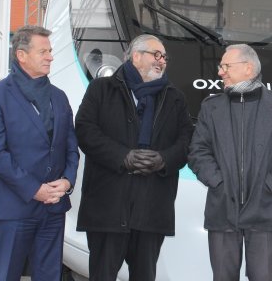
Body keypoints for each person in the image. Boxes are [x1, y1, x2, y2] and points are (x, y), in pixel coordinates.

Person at [75, 34, 193, 281]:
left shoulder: (175, 98)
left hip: (151, 209)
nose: (161, 61)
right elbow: (85, 131)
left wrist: (163, 159)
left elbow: (186, 143)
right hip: (107, 208)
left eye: (164, 57)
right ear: (136, 55)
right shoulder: (102, 88)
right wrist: (123, 156)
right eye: (156, 55)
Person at [188, 44, 272, 281]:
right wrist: (218, 182)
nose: (220, 72)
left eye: (225, 66)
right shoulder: (210, 107)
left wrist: (269, 185)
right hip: (222, 211)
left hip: (265, 212)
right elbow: (197, 151)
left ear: (248, 68)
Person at [0, 25, 79, 281]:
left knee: (49, 275)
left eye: (50, 51)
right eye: (43, 51)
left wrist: (66, 181)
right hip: (12, 206)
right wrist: (35, 189)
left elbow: (70, 147)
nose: (50, 57)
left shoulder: (59, 97)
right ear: (21, 55)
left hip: (53, 208)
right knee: (6, 274)